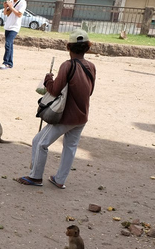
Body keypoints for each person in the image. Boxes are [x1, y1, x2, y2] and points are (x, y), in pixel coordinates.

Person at [17, 30, 96, 189]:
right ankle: (60, 180)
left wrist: (48, 79)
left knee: (39, 142)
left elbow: (54, 90)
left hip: (66, 116)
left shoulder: (68, 65)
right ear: (87, 47)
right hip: (82, 115)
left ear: (68, 47)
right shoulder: (91, 66)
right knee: (70, 147)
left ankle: (35, 177)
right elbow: (90, 91)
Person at [0, 0, 26, 69]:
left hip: (14, 27)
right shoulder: (12, 1)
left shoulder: (22, 2)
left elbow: (19, 14)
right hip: (8, 25)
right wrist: (5, 7)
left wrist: (11, 7)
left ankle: (6, 62)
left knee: (8, 44)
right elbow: (6, 13)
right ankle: (10, 63)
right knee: (9, 45)